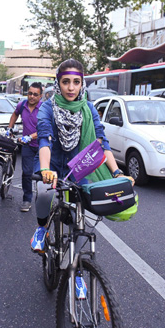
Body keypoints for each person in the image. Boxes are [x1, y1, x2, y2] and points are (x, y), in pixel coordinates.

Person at [31, 59, 133, 251]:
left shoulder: (90, 108)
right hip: (51, 163)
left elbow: (101, 143)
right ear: (58, 84)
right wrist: (45, 169)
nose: (71, 88)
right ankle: (41, 228)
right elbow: (45, 139)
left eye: (76, 82)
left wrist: (117, 173)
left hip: (79, 167)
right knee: (45, 192)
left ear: (82, 83)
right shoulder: (47, 107)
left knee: (79, 219)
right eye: (65, 82)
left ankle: (75, 270)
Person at [6, 82, 43, 212]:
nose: (32, 96)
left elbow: (46, 129)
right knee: (27, 173)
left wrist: (31, 136)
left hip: (42, 147)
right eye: (30, 93)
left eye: (35, 94)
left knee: (41, 175)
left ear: (40, 96)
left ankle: (42, 200)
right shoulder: (22, 105)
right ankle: (27, 200)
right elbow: (15, 114)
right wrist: (10, 127)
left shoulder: (44, 109)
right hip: (27, 146)